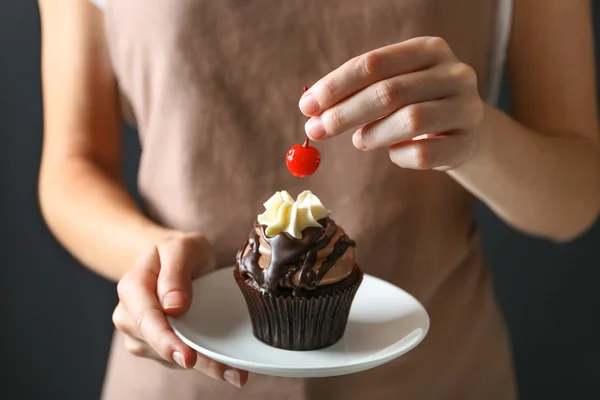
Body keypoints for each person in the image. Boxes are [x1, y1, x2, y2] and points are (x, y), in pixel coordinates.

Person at [37, 0, 600, 398]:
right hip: (181, 371)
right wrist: (158, 256)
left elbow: (578, 194)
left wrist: (480, 142)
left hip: (436, 378)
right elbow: (72, 166)